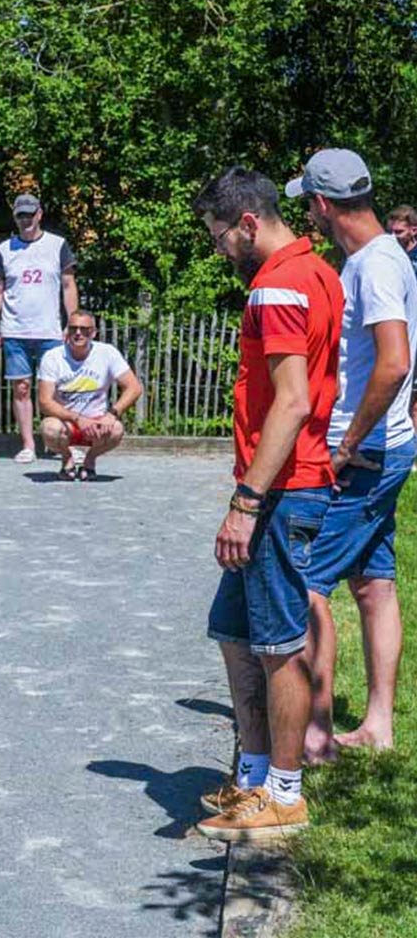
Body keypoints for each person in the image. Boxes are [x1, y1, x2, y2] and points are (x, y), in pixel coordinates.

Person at [191, 166, 343, 842]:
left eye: (220, 236)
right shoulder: (314, 269)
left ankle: (284, 795)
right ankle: (253, 779)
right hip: (280, 485)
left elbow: (292, 400)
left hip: (281, 491)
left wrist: (247, 502)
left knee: (279, 645)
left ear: (248, 222)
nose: (219, 249)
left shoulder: (279, 283)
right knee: (233, 629)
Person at [287, 152, 417, 761]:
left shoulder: (376, 267)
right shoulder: (375, 258)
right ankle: (378, 726)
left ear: (322, 204)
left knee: (305, 582)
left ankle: (316, 737)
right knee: (374, 585)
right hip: (382, 447)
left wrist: (346, 445)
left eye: (306, 202)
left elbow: (394, 361)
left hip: (365, 454)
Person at [0, 193, 78, 463]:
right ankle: (28, 445)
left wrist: (72, 324)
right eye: (20, 215)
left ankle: (58, 442)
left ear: (39, 214)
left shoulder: (57, 245)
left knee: (57, 391)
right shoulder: (5, 249)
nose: (25, 219)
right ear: (15, 217)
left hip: (50, 330)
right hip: (15, 330)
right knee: (22, 389)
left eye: (30, 214)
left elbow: (68, 285)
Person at [37, 310, 143, 479]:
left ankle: (90, 460)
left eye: (84, 329)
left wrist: (112, 414)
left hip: (97, 423)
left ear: (93, 332)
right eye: (73, 328)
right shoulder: (52, 357)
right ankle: (67, 458)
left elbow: (134, 387)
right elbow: (44, 402)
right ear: (67, 332)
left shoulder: (107, 353)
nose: (78, 333)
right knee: (49, 428)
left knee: (117, 430)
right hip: (66, 423)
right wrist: (77, 419)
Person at [386, 204, 417, 442]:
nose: (394, 238)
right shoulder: (389, 259)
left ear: (413, 230)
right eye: (391, 232)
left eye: (399, 233)